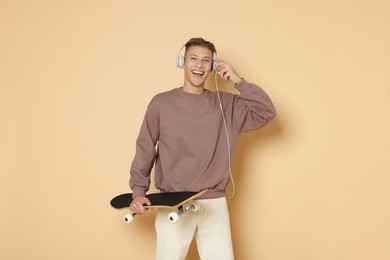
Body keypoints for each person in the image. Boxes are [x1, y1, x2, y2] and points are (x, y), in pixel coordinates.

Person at [129, 37, 276, 260]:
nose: (199, 65)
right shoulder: (161, 103)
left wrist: (238, 80)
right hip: (173, 201)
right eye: (193, 58)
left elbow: (266, 112)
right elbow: (145, 147)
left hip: (214, 202)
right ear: (182, 62)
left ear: (213, 67)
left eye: (206, 60)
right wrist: (138, 192)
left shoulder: (227, 105)